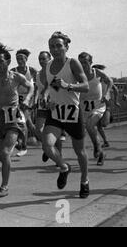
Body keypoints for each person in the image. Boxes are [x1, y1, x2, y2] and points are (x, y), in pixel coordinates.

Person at [0, 43, 34, 198]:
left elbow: (30, 87)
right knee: (1, 156)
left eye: (0, 61)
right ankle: (19, 141)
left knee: (5, 153)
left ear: (8, 62)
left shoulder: (16, 77)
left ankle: (4, 186)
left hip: (13, 116)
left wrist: (29, 98)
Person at [42, 31, 90, 199]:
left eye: (59, 46)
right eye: (52, 46)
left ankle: (84, 180)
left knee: (80, 151)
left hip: (73, 113)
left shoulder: (73, 63)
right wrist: (47, 98)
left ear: (66, 47)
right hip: (56, 113)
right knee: (47, 145)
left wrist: (68, 85)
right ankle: (64, 167)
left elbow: (85, 86)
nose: (55, 49)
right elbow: (54, 87)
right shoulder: (48, 66)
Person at [78, 52, 113, 166]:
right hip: (83, 107)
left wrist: (107, 93)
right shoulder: (77, 74)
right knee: (85, 130)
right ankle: (101, 153)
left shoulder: (96, 72)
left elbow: (110, 81)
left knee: (90, 125)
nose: (83, 65)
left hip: (98, 106)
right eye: (81, 63)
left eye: (85, 62)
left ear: (91, 63)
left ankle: (97, 147)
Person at [33, 51, 63, 163]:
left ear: (49, 59)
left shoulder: (55, 72)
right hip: (42, 104)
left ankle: (57, 155)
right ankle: (48, 148)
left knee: (55, 132)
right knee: (38, 130)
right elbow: (37, 88)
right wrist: (35, 100)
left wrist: (48, 96)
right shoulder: (37, 74)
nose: (41, 61)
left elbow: (56, 87)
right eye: (40, 59)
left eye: (44, 59)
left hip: (54, 104)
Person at [11, 49, 39, 156]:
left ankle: (23, 146)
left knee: (22, 121)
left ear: (26, 59)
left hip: (28, 99)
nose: (19, 60)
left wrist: (35, 99)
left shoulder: (32, 70)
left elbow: (37, 86)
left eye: (22, 58)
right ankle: (44, 141)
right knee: (29, 124)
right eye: (18, 58)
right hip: (16, 99)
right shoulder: (13, 70)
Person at [92, 64, 121, 148]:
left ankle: (109, 117)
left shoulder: (106, 80)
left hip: (106, 105)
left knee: (104, 124)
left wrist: (116, 101)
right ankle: (106, 141)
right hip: (96, 105)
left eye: (97, 71)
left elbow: (115, 89)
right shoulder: (94, 81)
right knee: (98, 125)